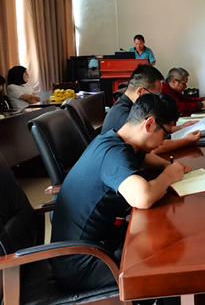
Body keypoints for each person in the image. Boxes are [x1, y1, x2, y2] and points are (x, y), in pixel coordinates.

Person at [50, 93, 192, 291]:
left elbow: (143, 158)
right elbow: (142, 197)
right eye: (165, 134)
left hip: (99, 243)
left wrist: (169, 167)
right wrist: (168, 176)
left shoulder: (116, 140)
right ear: (149, 124)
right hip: (83, 262)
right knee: (166, 265)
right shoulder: (113, 154)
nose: (163, 142)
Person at [102, 64, 202, 153]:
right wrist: (186, 141)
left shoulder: (132, 106)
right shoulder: (124, 115)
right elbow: (151, 148)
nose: (157, 100)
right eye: (154, 96)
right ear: (140, 92)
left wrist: (180, 127)